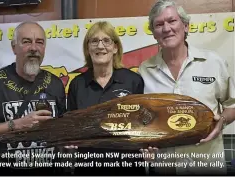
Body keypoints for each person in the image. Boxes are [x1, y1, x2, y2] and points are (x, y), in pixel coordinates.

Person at [138, 0, 235, 175]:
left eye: (172, 21)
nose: (166, 28)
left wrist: (220, 122)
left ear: (186, 26)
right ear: (153, 33)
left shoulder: (213, 62)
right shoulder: (144, 70)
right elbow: (141, 118)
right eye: (159, 24)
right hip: (165, 169)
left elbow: (232, 105)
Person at [0, 21, 67, 176]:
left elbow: (63, 131)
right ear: (14, 47)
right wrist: (16, 124)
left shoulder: (55, 83)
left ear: (44, 48)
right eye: (26, 41)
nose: (34, 48)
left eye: (39, 42)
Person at [67, 21, 146, 176]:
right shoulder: (77, 84)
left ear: (115, 48)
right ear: (88, 48)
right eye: (94, 41)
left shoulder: (133, 80)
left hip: (128, 166)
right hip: (88, 167)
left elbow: (143, 123)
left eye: (106, 40)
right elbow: (71, 127)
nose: (100, 46)